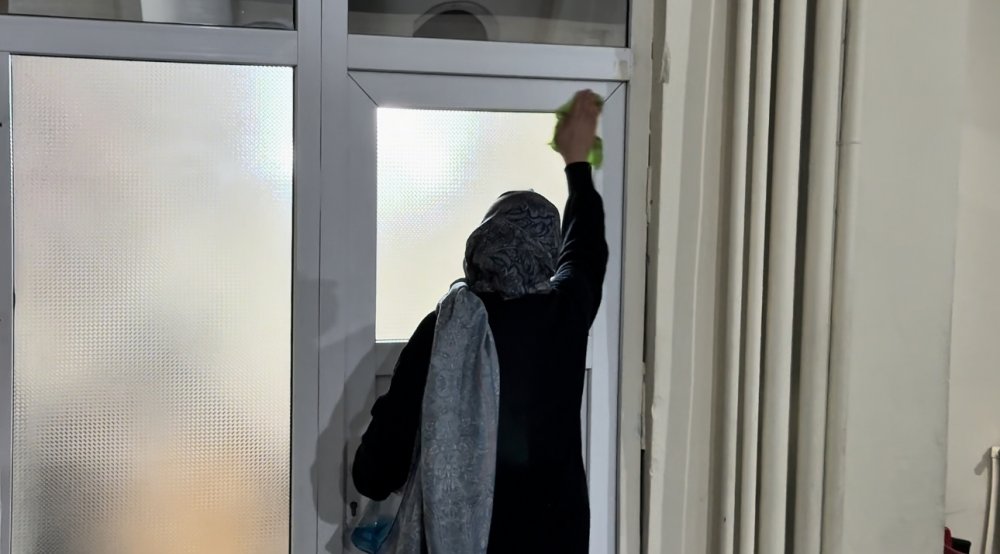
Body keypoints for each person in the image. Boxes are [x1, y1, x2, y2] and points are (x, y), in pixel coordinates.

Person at [352, 90, 608, 554]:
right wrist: (577, 165)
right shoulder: (565, 315)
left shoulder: (444, 328)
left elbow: (374, 472)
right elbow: (586, 247)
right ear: (547, 254)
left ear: (481, 242)